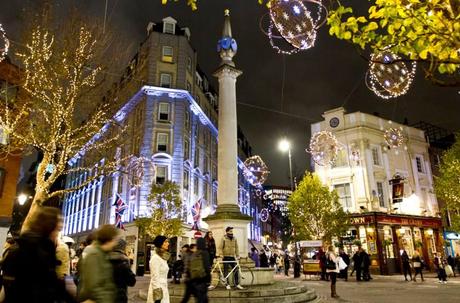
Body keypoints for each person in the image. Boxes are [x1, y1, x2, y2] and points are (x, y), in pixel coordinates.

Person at [2, 206, 75, 303]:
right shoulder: (36, 250)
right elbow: (46, 283)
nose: (57, 234)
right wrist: (69, 284)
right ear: (49, 227)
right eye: (57, 230)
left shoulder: (31, 245)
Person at [79, 224, 119, 303]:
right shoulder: (94, 255)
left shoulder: (103, 253)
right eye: (115, 239)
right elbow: (94, 286)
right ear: (109, 239)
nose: (116, 243)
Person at [182, 238, 211, 303]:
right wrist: (209, 280)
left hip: (192, 280)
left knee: (186, 299)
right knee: (202, 300)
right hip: (201, 280)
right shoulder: (205, 253)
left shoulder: (195, 253)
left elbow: (188, 266)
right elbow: (207, 268)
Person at [109, 238, 137, 303]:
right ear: (123, 247)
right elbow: (132, 282)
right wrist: (130, 262)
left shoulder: (104, 258)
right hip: (119, 297)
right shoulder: (123, 261)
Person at [147, 235, 171, 303]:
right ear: (160, 243)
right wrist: (158, 297)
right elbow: (155, 278)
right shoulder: (155, 258)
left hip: (164, 289)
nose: (168, 243)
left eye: (168, 242)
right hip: (158, 290)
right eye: (165, 242)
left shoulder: (163, 258)